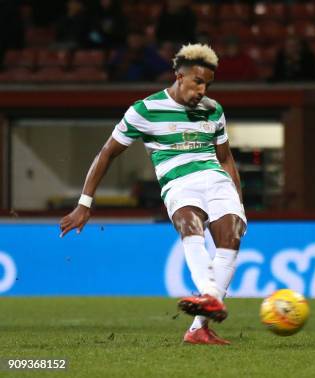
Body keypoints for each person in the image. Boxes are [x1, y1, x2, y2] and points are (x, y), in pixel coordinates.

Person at [60, 43, 247, 345]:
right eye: (198, 82)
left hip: (216, 180)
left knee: (231, 239)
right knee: (192, 228)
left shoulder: (214, 110)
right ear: (179, 75)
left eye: (208, 84)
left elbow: (225, 158)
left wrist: (237, 199)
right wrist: (84, 203)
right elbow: (106, 154)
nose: (202, 90)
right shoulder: (144, 110)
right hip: (179, 183)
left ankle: (199, 326)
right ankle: (211, 300)